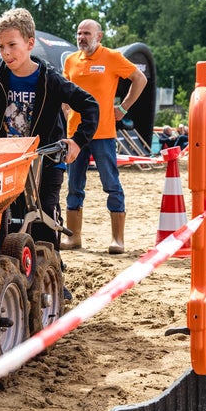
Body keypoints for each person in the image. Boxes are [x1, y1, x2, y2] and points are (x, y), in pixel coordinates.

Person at [0, 8, 99, 252]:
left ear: (29, 43)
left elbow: (90, 106)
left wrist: (77, 141)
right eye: (1, 46)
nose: (5, 52)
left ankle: (52, 271)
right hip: (12, 163)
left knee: (45, 217)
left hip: (47, 160)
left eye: (12, 45)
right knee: (11, 220)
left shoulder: (50, 79)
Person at [62, 19, 148, 254]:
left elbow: (140, 79)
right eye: (79, 33)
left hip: (103, 133)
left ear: (99, 37)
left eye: (87, 33)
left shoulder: (111, 57)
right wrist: (67, 110)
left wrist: (123, 107)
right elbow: (63, 90)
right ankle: (73, 237)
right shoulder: (70, 61)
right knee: (73, 186)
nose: (82, 37)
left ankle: (117, 239)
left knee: (111, 184)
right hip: (75, 136)